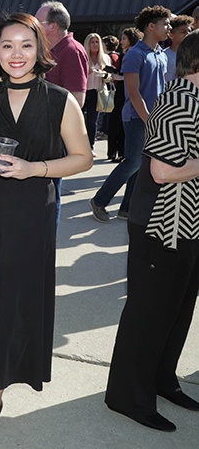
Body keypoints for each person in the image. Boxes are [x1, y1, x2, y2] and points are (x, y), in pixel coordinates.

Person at [0, 12, 92, 444]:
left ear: (40, 50)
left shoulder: (59, 100)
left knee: (13, 301)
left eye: (26, 45)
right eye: (7, 45)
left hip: (30, 213)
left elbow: (83, 158)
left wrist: (34, 168)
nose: (16, 54)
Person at [104, 30, 199, 433]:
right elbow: (161, 171)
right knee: (148, 313)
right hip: (161, 225)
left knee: (176, 312)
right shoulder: (179, 102)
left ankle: (161, 380)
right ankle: (127, 396)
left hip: (186, 225)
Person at [90, 6, 171, 222]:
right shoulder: (135, 54)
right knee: (133, 162)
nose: (168, 28)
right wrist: (149, 120)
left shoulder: (161, 54)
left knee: (141, 164)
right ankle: (99, 201)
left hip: (153, 118)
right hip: (137, 117)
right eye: (165, 24)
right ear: (151, 26)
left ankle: (127, 208)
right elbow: (133, 93)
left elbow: (161, 88)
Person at [35, 0, 89, 107]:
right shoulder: (47, 49)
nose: (33, 26)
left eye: (37, 22)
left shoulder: (72, 52)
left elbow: (77, 100)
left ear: (53, 26)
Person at [107, 29, 142, 163]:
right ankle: (119, 152)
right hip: (122, 92)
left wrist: (119, 76)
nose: (121, 42)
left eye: (124, 39)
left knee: (120, 123)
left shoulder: (133, 54)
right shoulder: (127, 54)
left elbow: (131, 75)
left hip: (126, 93)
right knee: (117, 122)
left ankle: (122, 152)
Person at [83, 33, 110, 149]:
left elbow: (109, 78)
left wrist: (104, 75)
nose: (95, 45)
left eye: (97, 42)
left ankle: (90, 146)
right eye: (92, 42)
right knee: (79, 120)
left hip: (96, 92)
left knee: (92, 121)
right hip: (83, 91)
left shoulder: (105, 58)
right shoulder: (83, 57)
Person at [163, 14, 193, 82]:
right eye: (183, 32)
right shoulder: (164, 56)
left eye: (189, 31)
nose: (188, 34)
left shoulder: (194, 56)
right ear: (170, 35)